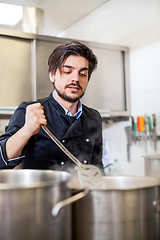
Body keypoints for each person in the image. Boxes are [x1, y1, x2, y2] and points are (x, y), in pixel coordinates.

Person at [0, 41, 103, 172]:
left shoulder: (93, 117)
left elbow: (97, 165)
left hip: (82, 192)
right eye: (67, 71)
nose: (75, 79)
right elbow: (1, 158)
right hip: (41, 192)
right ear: (52, 75)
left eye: (82, 74)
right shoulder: (30, 111)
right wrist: (27, 130)